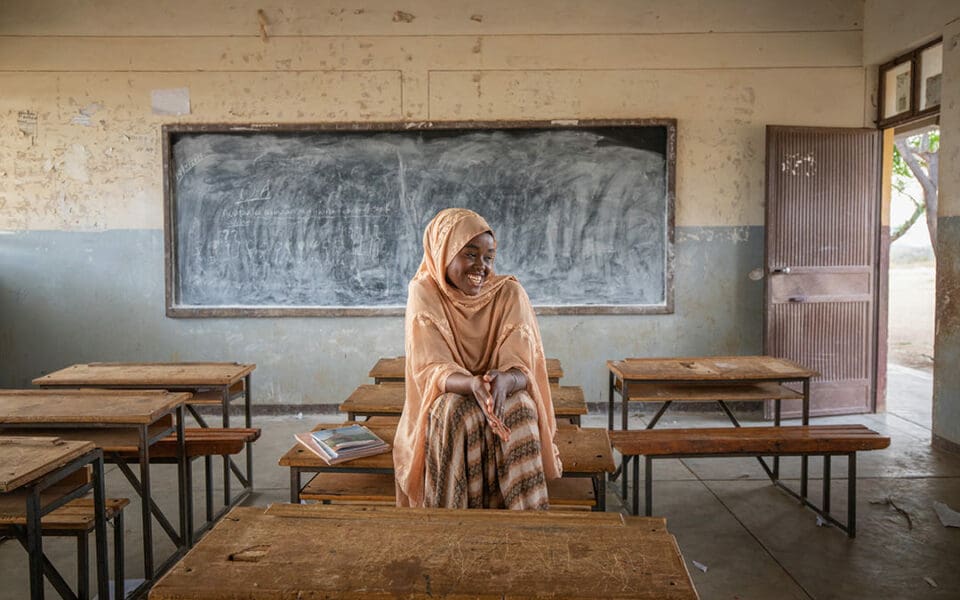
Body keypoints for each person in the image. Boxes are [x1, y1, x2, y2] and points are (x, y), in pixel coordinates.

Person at [393, 208, 562, 509]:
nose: (481, 267)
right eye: (470, 254)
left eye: (488, 257)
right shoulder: (424, 292)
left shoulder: (509, 293)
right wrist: (472, 383)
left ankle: (528, 527)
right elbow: (430, 369)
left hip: (498, 388)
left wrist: (505, 379)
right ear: (442, 252)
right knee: (453, 412)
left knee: (521, 406)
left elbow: (525, 367)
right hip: (452, 392)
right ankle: (451, 530)